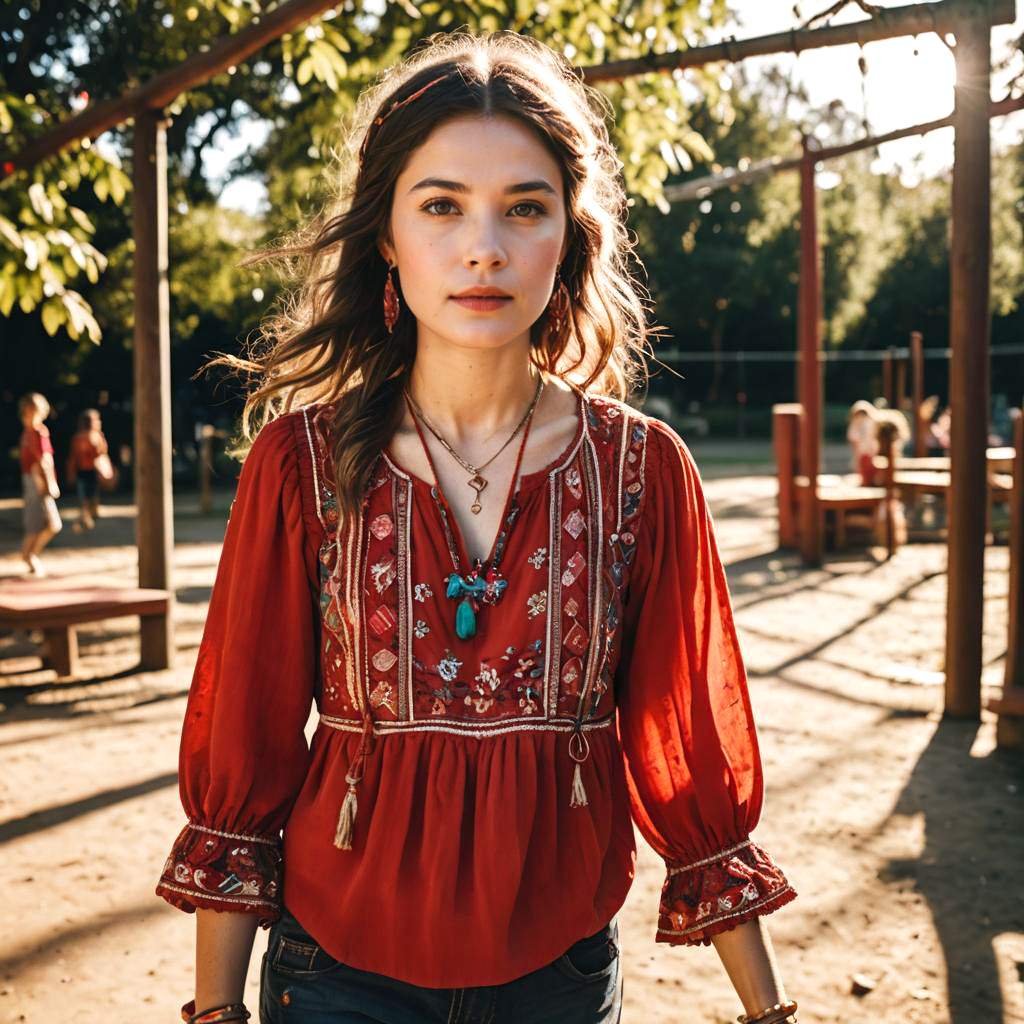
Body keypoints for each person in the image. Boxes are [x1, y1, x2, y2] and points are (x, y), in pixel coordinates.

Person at [156, 32, 798, 1024]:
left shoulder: (641, 471)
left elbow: (689, 747)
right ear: (387, 234)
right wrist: (214, 1009)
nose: (483, 248)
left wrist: (768, 1011)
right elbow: (246, 741)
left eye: (525, 208)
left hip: (560, 973)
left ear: (569, 236)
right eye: (442, 205)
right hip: (332, 975)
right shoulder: (299, 465)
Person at [18, 392, 63, 576]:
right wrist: (50, 483)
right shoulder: (35, 432)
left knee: (48, 523)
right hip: (36, 480)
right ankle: (29, 556)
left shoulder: (32, 433)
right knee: (44, 523)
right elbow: (43, 460)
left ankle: (30, 555)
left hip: (34, 479)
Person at [66, 408, 110, 531]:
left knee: (89, 496)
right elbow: (75, 457)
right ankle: (87, 518)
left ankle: (88, 517)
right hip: (85, 471)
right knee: (87, 496)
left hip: (90, 471)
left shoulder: (93, 436)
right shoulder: (83, 438)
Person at [846, 399, 878, 485]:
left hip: (869, 448)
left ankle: (870, 481)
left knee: (870, 466)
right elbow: (852, 436)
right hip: (861, 449)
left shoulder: (870, 422)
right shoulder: (855, 423)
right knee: (862, 466)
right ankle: (865, 481)